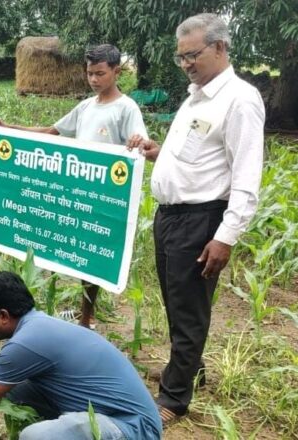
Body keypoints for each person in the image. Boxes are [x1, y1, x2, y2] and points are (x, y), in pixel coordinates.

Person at [127, 13, 264, 425]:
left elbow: (246, 177)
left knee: (189, 309)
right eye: (181, 56)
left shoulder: (239, 100)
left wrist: (225, 236)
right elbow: (197, 156)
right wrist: (157, 153)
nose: (186, 63)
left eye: (192, 55)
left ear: (220, 47)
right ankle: (189, 368)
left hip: (201, 219)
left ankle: (174, 398)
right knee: (176, 300)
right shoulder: (197, 97)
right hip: (171, 217)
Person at [0, 44, 148, 329]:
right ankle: (64, 310)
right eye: (90, 73)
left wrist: (138, 142)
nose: (94, 79)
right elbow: (51, 132)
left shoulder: (126, 108)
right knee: (63, 249)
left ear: (116, 71)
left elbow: (140, 143)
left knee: (91, 259)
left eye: (100, 73)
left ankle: (87, 318)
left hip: (102, 197)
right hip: (74, 194)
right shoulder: (86, 106)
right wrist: (7, 128)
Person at [0, 271, 162, 440]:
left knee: (34, 437)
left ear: (3, 316)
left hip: (135, 430)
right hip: (112, 416)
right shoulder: (35, 328)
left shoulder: (28, 342)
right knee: (9, 389)